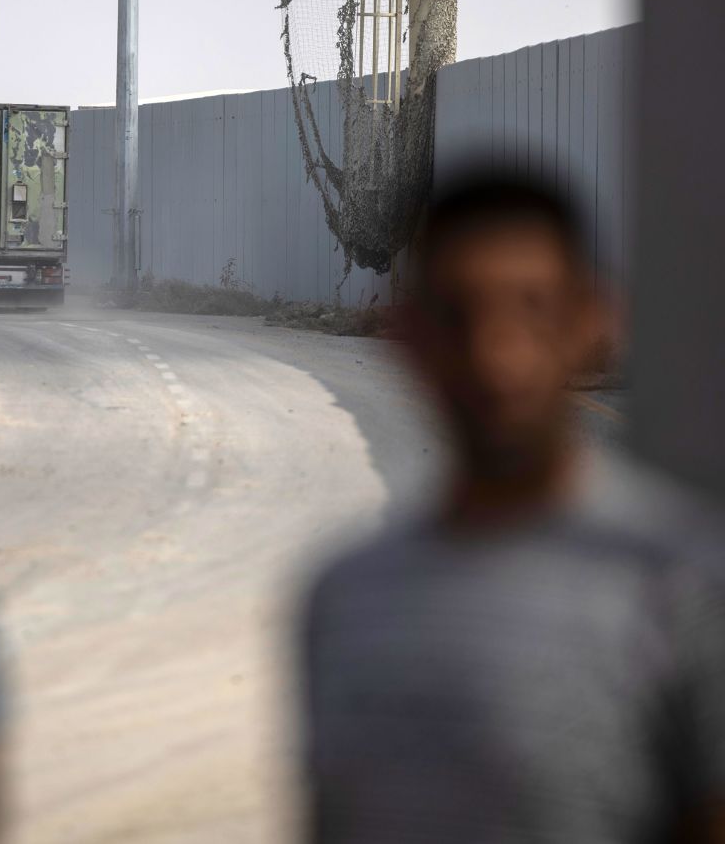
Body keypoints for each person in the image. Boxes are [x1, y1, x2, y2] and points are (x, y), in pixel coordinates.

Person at [299, 174, 725, 844]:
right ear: (408, 332)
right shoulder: (342, 598)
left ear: (593, 321)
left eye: (533, 308)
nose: (495, 356)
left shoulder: (683, 587)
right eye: (456, 314)